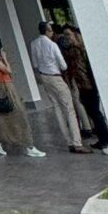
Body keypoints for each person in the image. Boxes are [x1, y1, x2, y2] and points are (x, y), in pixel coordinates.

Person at [0, 39, 44, 158]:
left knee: (8, 118)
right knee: (19, 116)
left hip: (3, 87)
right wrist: (5, 59)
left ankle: (1, 139)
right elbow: (8, 70)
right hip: (5, 88)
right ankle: (28, 145)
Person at [31, 20, 87, 151]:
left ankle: (68, 141)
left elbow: (35, 64)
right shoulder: (52, 45)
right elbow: (63, 65)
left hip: (44, 76)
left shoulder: (34, 44)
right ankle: (77, 142)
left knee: (57, 107)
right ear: (48, 31)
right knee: (68, 109)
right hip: (55, 76)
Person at [62, 24, 108, 147]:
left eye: (68, 34)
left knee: (95, 112)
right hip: (82, 84)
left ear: (75, 35)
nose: (66, 37)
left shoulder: (78, 50)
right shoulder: (75, 49)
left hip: (87, 84)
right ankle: (103, 137)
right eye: (65, 35)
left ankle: (105, 138)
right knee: (93, 112)